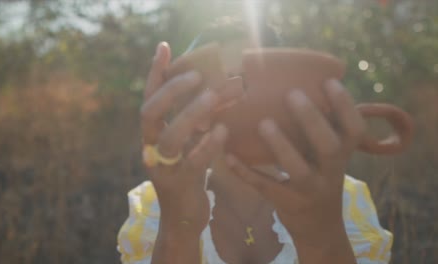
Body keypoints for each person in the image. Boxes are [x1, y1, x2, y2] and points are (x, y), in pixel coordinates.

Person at [117, 18, 392, 264]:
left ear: (287, 93)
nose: (232, 94)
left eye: (248, 80)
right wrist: (178, 227)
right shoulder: (158, 202)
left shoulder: (339, 198)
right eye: (215, 85)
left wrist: (321, 237)